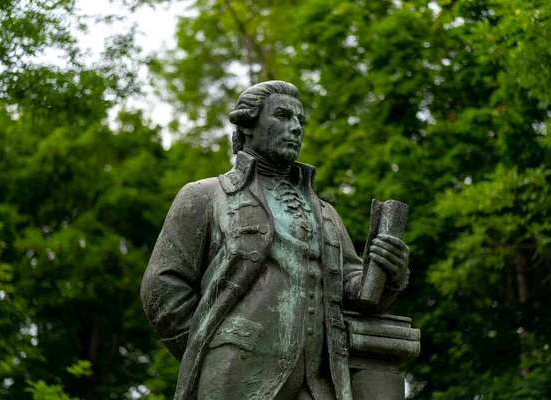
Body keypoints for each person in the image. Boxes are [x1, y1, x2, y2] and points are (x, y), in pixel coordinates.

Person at [141, 81, 409, 400]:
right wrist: (212, 343)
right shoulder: (205, 196)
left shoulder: (326, 213)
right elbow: (161, 288)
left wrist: (388, 273)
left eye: (300, 121)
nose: (295, 128)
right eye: (282, 116)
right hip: (234, 378)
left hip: (320, 380)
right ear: (247, 126)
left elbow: (355, 293)